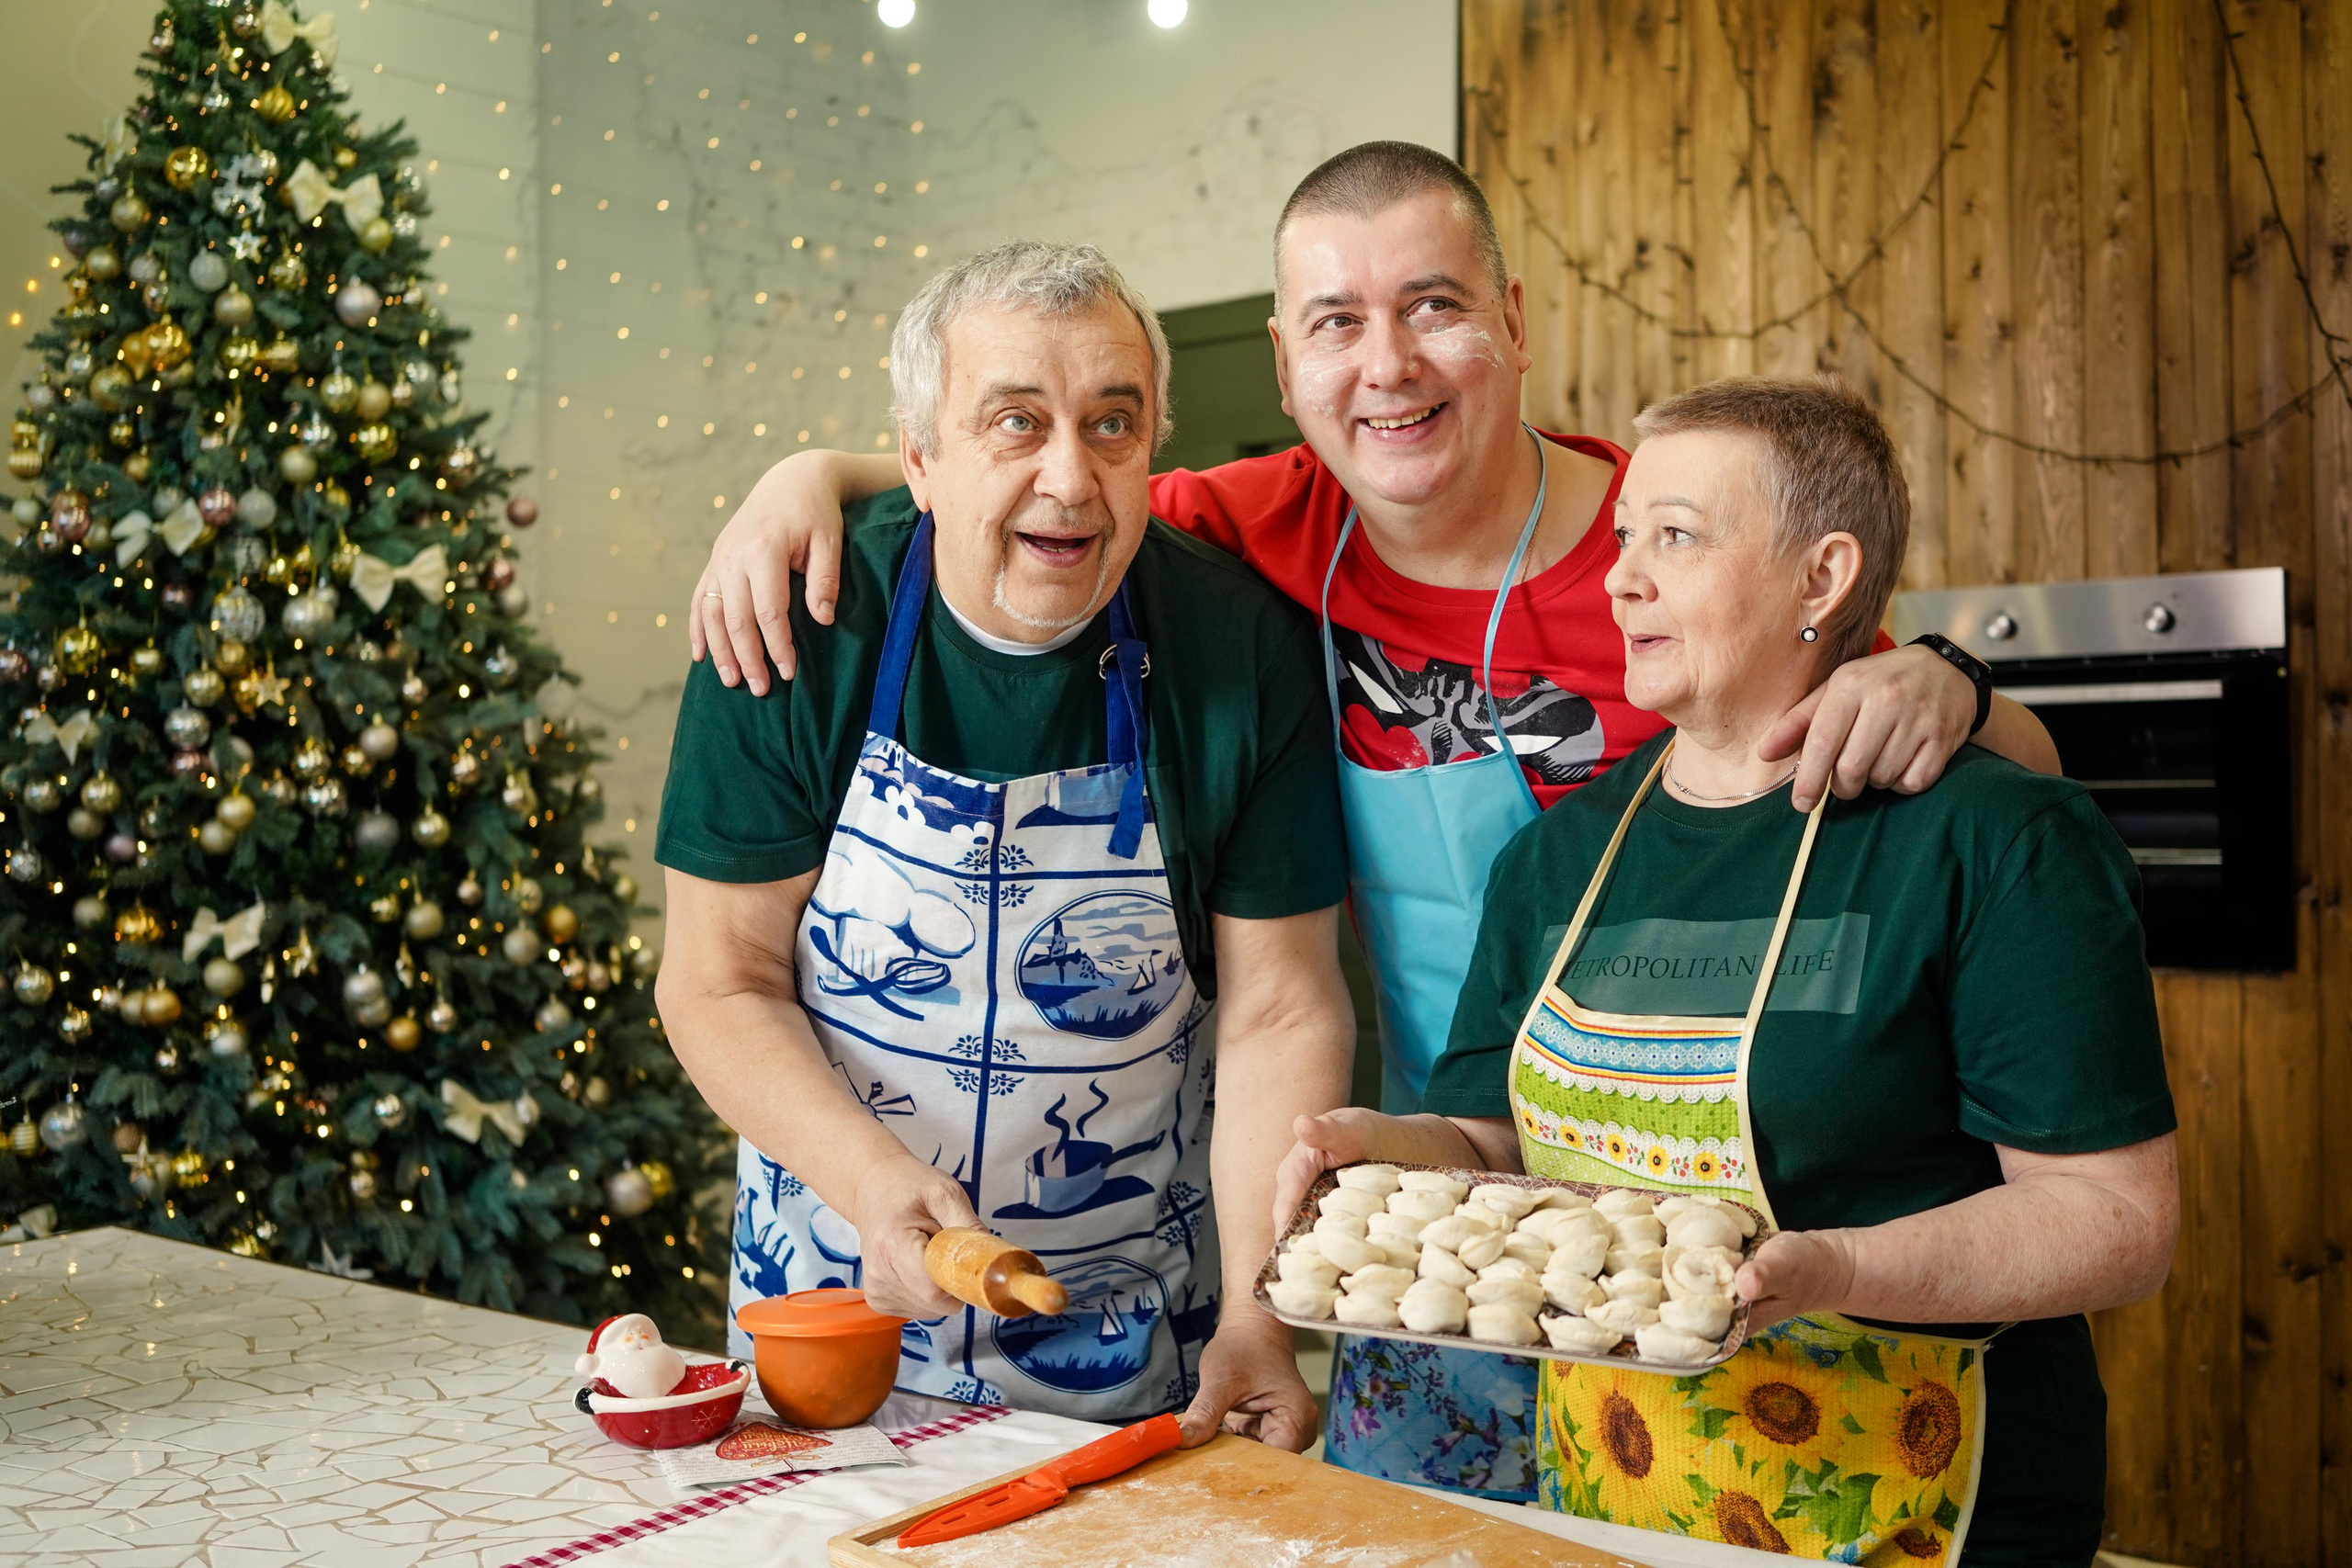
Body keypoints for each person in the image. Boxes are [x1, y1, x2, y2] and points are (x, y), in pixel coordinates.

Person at [681, 142, 2063, 1497]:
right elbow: (1029, 477)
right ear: (1288, 372)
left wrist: (1951, 675)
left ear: (1516, 327)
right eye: (1339, 322)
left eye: (1437, 308)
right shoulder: (1260, 534)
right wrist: (812, 472)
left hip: (1735, 1240)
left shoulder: (1668, 563)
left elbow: (1994, 767)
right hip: (1417, 1204)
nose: (1386, 365)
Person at [1277, 376, 2179, 1565]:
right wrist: (1372, 1147)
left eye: (1679, 539)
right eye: (1624, 539)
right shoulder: (1559, 858)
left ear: (1823, 576)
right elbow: (1501, 1146)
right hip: (1612, 1485)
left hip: (1921, 1496)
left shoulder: (1992, 841)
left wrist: (1837, 1269)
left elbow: (2115, 1220)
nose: (1621, 578)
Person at [654, 241, 1354, 1450]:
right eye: (1015, 424)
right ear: (919, 458)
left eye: (1113, 425)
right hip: (833, 1321)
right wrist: (875, 1186)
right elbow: (718, 980)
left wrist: (1259, 1314)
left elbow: (1280, 1012)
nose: (1071, 479)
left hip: (1139, 1358)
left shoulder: (1238, 649)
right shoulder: (797, 618)